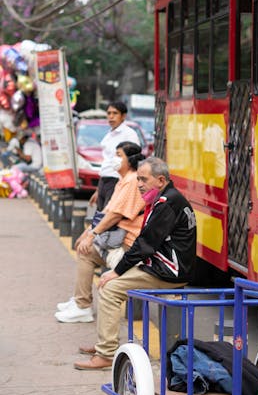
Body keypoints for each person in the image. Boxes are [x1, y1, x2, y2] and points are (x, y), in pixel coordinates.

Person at [74, 156, 197, 370]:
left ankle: (106, 353)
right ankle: (105, 344)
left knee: (110, 288)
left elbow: (145, 245)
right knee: (108, 281)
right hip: (160, 266)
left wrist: (117, 271)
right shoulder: (165, 198)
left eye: (143, 180)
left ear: (160, 180)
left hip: (168, 272)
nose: (139, 184)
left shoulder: (167, 203)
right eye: (138, 179)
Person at [55, 142, 146, 323]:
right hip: (118, 238)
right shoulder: (124, 181)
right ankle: (80, 301)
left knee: (86, 252)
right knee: (84, 248)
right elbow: (106, 213)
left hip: (128, 243)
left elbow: (114, 215)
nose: (115, 159)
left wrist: (92, 236)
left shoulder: (132, 181)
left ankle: (82, 305)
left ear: (131, 160)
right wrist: (87, 232)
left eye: (119, 155)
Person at [90, 101, 140, 211]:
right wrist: (98, 190)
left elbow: (133, 160)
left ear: (123, 116)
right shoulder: (109, 134)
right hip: (104, 180)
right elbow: (106, 162)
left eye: (115, 113)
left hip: (117, 181)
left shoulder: (129, 134)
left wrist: (124, 185)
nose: (111, 117)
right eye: (109, 113)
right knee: (99, 217)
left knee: (108, 217)